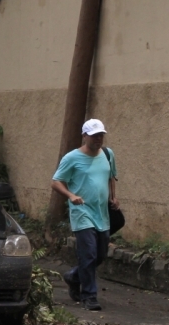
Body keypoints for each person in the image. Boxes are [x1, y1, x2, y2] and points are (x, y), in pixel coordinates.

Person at [51, 119, 119, 311]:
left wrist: (114, 197)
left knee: (100, 255)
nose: (99, 139)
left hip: (102, 212)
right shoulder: (72, 158)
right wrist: (71, 196)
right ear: (85, 136)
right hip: (82, 212)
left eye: (101, 135)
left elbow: (111, 176)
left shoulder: (108, 154)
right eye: (94, 135)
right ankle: (89, 295)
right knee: (88, 254)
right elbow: (56, 182)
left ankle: (74, 276)